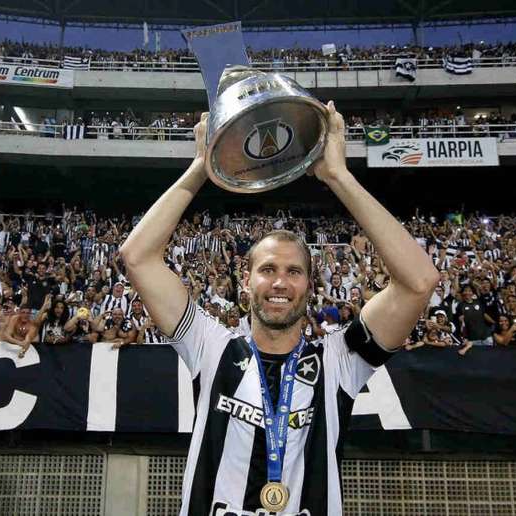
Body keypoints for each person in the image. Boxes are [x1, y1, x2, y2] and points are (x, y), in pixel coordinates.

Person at [119, 103, 439, 515]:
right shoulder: (212, 348)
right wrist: (202, 165)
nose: (280, 283)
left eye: (294, 271)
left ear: (309, 285)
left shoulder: (338, 360)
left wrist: (338, 176)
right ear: (246, 279)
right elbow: (138, 256)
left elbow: (419, 282)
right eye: (267, 269)